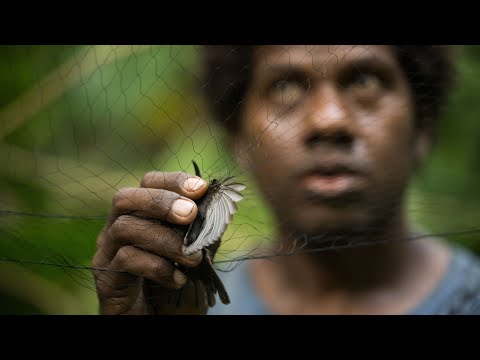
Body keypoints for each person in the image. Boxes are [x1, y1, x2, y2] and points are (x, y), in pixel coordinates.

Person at [92, 45, 480, 315]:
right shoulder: (180, 301)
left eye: (365, 81)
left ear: (422, 125)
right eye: (285, 87)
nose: (329, 120)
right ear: (238, 136)